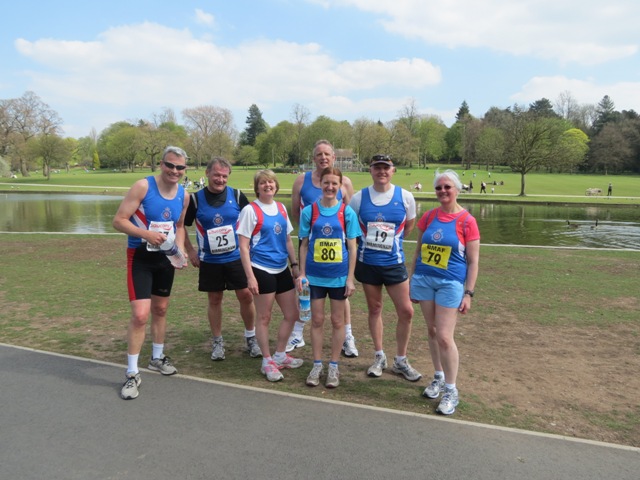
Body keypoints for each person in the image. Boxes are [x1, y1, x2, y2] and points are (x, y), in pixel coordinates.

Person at [113, 145, 190, 400]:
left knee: (161, 309)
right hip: (141, 258)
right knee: (140, 314)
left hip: (165, 259)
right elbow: (119, 220)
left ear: (184, 169)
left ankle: (157, 357)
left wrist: (179, 249)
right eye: (170, 165)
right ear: (161, 164)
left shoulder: (184, 195)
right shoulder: (143, 187)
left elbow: (179, 226)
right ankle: (132, 373)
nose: (174, 171)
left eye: (179, 167)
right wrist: (146, 234)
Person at [410, 169, 480, 415]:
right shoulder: (429, 217)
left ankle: (452, 390)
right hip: (425, 280)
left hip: (451, 284)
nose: (442, 191)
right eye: (439, 187)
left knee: (444, 336)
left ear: (457, 189)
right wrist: (412, 280)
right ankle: (438, 377)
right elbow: (418, 251)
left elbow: (473, 262)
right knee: (431, 331)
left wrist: (468, 293)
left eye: (447, 187)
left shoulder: (467, 221)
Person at [349, 154, 422, 382]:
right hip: (368, 264)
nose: (381, 171)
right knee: (375, 309)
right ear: (370, 170)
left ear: (393, 170)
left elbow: (408, 227)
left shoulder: (406, 197)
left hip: (393, 263)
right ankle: (379, 356)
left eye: (386, 168)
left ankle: (401, 360)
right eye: (377, 167)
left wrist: (392, 244)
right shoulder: (358, 199)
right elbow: (352, 230)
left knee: (407, 311)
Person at [183, 157, 261, 362]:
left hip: (236, 258)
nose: (220, 179)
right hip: (210, 260)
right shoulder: (195, 199)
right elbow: (180, 225)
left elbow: (253, 221)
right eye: (216, 175)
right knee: (215, 299)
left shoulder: (236, 195)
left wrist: (251, 248)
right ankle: (217, 341)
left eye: (224, 176)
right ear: (207, 173)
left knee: (246, 295)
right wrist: (190, 251)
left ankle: (251, 338)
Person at [289, 140, 359, 358]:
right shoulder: (302, 180)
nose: (323, 157)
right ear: (314, 158)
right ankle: (298, 333)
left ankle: (348, 336)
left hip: (337, 256)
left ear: (334, 157)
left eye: (327, 154)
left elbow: (349, 213)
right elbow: (295, 212)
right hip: (311, 248)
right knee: (307, 293)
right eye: (319, 154)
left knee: (341, 300)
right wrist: (308, 235)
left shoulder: (344, 182)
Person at [237, 169, 303, 382]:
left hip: (281, 268)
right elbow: (244, 247)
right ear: (257, 187)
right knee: (264, 317)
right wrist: (250, 277)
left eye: (271, 182)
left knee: (292, 314)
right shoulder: (250, 210)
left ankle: (280, 354)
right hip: (261, 269)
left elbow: (287, 240)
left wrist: (294, 264)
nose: (268, 185)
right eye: (263, 183)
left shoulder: (282, 209)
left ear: (276, 185)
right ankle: (267, 361)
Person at [297, 166, 359, 388]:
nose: (330, 187)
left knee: (337, 320)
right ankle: (316, 364)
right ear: (320, 185)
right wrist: (302, 273)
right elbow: (304, 244)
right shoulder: (310, 212)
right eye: (326, 183)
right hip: (314, 277)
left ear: (340, 186)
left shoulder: (347, 212)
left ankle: (333, 365)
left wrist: (350, 278)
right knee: (317, 320)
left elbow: (352, 247)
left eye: (334, 183)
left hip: (338, 277)